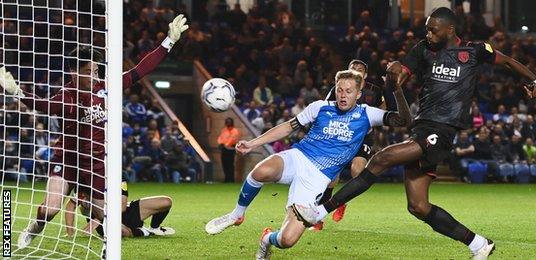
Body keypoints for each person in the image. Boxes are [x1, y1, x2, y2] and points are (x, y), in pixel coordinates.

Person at [293, 7, 536, 260]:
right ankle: (478, 244)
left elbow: (508, 61)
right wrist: (395, 75)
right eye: (427, 29)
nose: (429, 33)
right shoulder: (423, 50)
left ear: (450, 29)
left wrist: (535, 82)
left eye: (434, 29)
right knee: (418, 206)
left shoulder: (474, 51)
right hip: (422, 128)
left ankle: (319, 211)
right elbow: (402, 73)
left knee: (381, 158)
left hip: (442, 131)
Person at [0, 14, 188, 249]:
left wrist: (168, 42)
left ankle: (135, 230)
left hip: (97, 162)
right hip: (67, 160)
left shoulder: (106, 87)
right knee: (50, 209)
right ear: (74, 72)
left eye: (97, 70)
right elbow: (45, 105)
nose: (95, 75)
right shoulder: (67, 97)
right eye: (90, 71)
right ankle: (33, 229)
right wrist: (18, 92)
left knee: (108, 219)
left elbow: (140, 70)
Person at [204, 69, 411, 260]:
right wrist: (252, 143)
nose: (343, 95)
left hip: (317, 178)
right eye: (339, 90)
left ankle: (267, 239)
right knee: (261, 171)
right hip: (299, 157)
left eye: (349, 91)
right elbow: (288, 127)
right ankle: (237, 215)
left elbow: (403, 119)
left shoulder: (367, 114)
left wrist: (397, 90)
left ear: (358, 94)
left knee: (287, 240)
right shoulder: (320, 107)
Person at [311, 59, 385, 230]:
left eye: (360, 69)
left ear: (365, 75)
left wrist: (372, 121)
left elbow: (383, 110)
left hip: (362, 137)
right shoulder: (338, 89)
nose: (356, 71)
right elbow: (326, 107)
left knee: (357, 171)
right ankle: (319, 218)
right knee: (331, 178)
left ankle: (341, 200)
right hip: (341, 134)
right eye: (353, 68)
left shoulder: (374, 91)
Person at [217, 118, 241, 182]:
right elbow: (220, 137)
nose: (228, 123)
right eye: (227, 122)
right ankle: (226, 179)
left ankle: (231, 179)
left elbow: (233, 139)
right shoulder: (224, 130)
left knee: (230, 164)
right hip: (224, 149)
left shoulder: (234, 130)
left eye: (229, 122)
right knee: (224, 164)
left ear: (232, 123)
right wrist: (220, 143)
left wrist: (226, 144)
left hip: (230, 149)